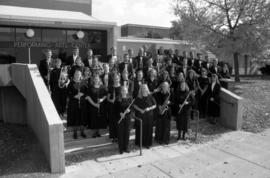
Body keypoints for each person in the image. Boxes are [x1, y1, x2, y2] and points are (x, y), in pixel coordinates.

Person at [133, 84, 156, 149]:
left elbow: (155, 105)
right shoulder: (138, 97)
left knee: (148, 130)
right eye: (142, 88)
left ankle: (147, 143)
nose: (144, 89)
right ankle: (140, 142)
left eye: (145, 88)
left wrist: (149, 108)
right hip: (141, 116)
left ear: (147, 89)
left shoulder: (150, 96)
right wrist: (140, 110)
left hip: (149, 116)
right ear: (141, 89)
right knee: (141, 129)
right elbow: (134, 105)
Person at [67, 69, 87, 139]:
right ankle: (75, 133)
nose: (77, 75)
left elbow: (86, 92)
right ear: (74, 75)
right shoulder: (71, 83)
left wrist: (82, 95)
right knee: (75, 118)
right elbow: (68, 93)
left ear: (81, 75)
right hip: (73, 103)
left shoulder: (83, 83)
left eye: (79, 74)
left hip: (82, 103)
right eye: (76, 74)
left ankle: (82, 132)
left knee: (82, 117)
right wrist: (74, 96)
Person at [117, 86, 133, 154]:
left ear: (127, 91)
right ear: (121, 91)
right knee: (121, 133)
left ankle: (126, 147)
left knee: (127, 133)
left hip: (127, 118)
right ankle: (121, 149)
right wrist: (120, 113)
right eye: (123, 90)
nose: (124, 91)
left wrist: (129, 110)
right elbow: (115, 109)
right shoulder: (118, 99)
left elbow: (132, 108)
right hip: (120, 118)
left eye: (125, 90)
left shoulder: (130, 98)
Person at [107, 73, 122, 142]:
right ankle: (113, 137)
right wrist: (111, 100)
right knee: (112, 122)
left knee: (118, 121)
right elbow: (107, 98)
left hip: (119, 107)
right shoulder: (110, 87)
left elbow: (124, 97)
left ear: (119, 79)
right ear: (113, 79)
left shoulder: (121, 87)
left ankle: (118, 136)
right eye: (115, 79)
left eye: (117, 78)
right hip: (112, 106)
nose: (116, 80)